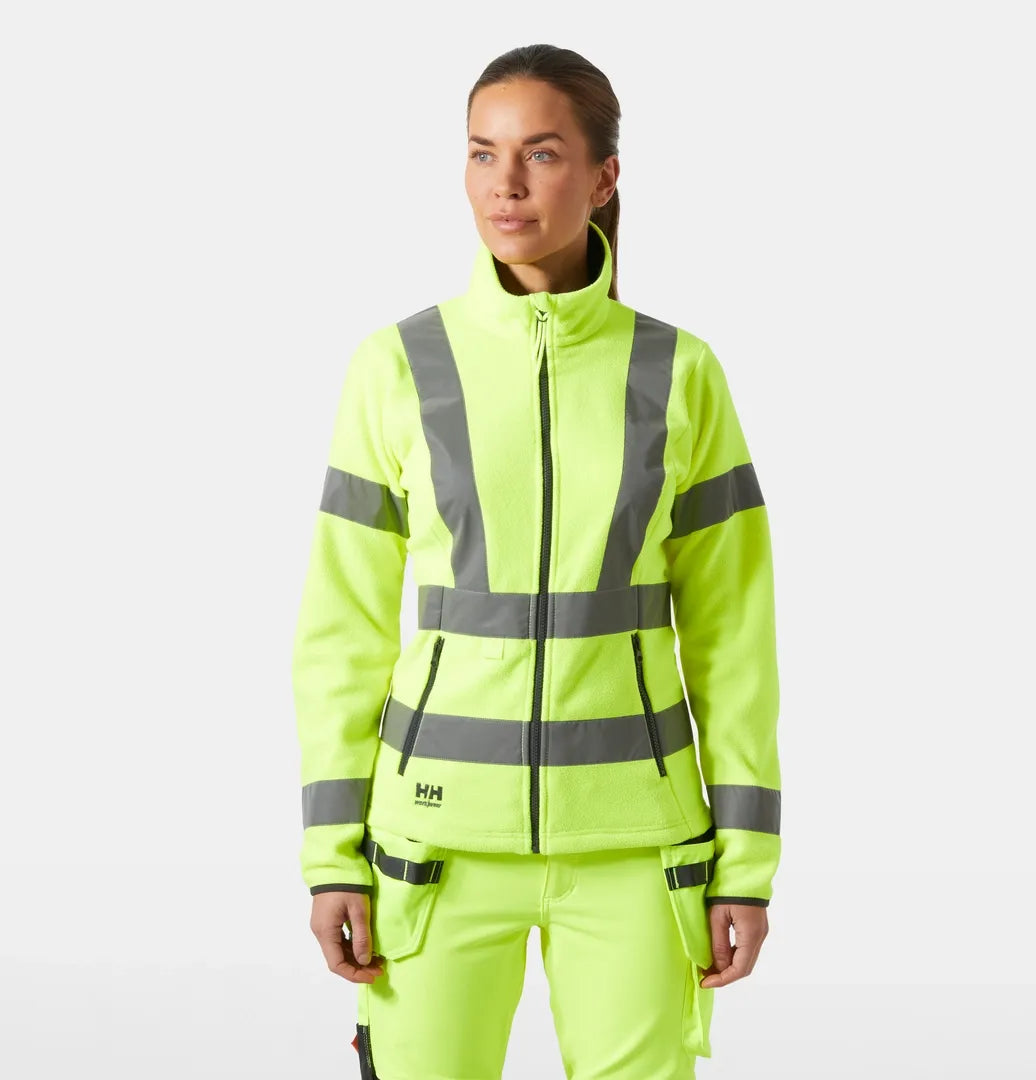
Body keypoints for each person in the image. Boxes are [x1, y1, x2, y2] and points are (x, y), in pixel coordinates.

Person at [292, 43, 782, 1080]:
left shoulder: (680, 372)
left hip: (637, 847)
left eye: (541, 153)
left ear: (604, 178)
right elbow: (342, 630)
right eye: (483, 153)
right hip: (432, 846)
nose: (505, 183)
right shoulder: (396, 366)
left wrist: (744, 866)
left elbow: (736, 640)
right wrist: (332, 853)